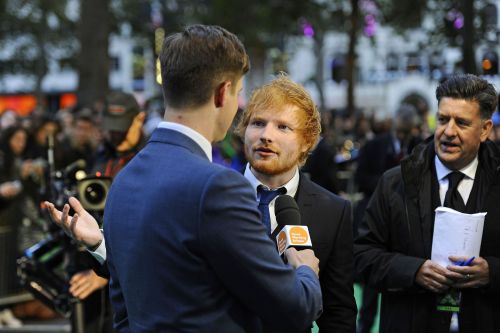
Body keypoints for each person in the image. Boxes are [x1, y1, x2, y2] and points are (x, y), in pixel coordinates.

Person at [46, 25, 322, 333]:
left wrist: (100, 245)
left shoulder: (125, 178)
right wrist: (306, 268)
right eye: (239, 93)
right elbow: (296, 307)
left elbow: (125, 311)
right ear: (222, 93)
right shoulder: (218, 187)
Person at [354, 73, 500, 333]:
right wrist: (413, 271)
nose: (449, 131)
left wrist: (492, 272)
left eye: (462, 123)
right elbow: (362, 256)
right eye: (443, 119)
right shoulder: (394, 183)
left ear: (485, 130)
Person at [235, 75, 357, 332]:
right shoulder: (211, 196)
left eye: (283, 127)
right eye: (258, 123)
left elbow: (338, 312)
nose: (266, 135)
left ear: (307, 142)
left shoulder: (333, 211)